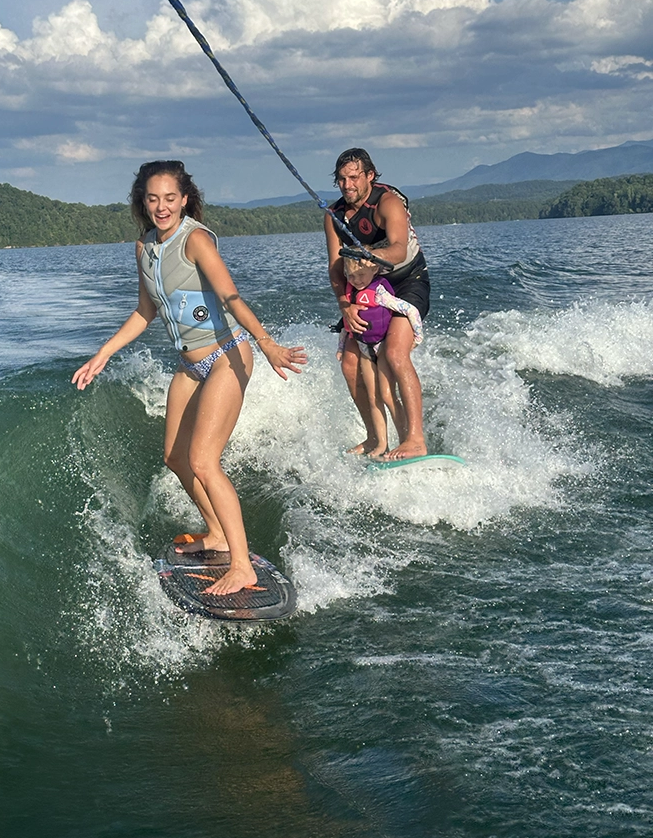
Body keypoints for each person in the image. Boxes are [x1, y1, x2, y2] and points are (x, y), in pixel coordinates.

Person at [73, 160, 306, 596]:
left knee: (203, 461)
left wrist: (267, 343)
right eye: (153, 199)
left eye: (170, 198)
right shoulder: (144, 248)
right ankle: (216, 533)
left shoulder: (195, 240)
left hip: (226, 356)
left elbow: (230, 296)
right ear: (143, 202)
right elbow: (145, 312)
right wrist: (103, 353)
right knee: (176, 458)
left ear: (184, 199)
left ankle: (242, 565)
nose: (161, 207)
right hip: (189, 366)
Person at [325, 147, 430, 460]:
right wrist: (345, 305)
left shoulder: (387, 202)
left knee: (394, 354)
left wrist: (370, 255)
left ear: (370, 175)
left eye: (354, 177)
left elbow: (398, 249)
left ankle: (415, 440)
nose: (347, 185)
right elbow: (335, 267)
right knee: (349, 362)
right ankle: (375, 438)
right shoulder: (334, 216)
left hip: (406, 282)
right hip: (365, 288)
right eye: (341, 179)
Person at [338, 251, 423, 458]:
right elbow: (346, 326)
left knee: (386, 394)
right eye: (351, 276)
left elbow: (410, 310)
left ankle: (404, 441)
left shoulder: (379, 293)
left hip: (382, 348)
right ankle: (380, 444)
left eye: (360, 275)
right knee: (373, 397)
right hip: (364, 349)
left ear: (374, 269)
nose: (356, 280)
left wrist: (417, 337)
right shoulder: (351, 297)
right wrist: (341, 347)